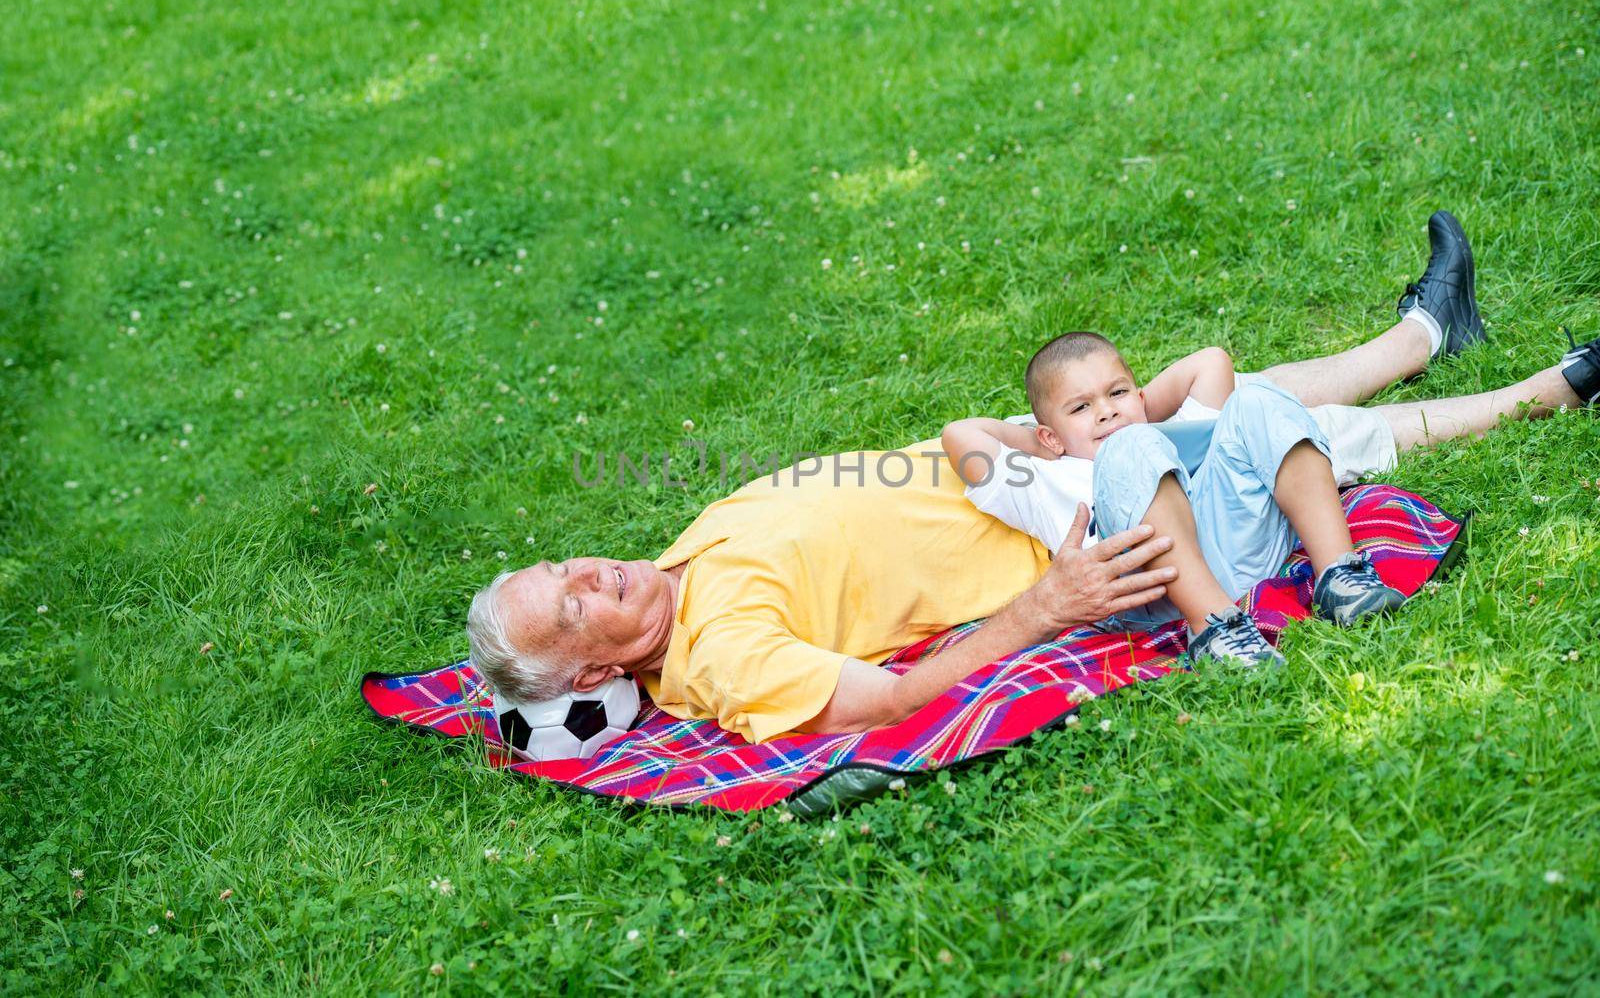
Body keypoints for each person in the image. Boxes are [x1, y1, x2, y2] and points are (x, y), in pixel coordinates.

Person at [466, 212, 1599, 743]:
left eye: (565, 566)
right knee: (1276, 436)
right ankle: (1540, 388)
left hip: (1001, 460)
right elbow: (884, 702)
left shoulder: (667, 570)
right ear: (601, 662)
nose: (593, 571)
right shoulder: (718, 658)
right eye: (578, 604)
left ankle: (1414, 337)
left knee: (1208, 391)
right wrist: (1041, 609)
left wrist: (1033, 429)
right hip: (1053, 522)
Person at [940, 332, 1408, 669]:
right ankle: (1215, 630)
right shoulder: (1043, 480)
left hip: (1236, 545)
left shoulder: (1159, 430)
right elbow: (959, 435)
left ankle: (1341, 577)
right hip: (1149, 592)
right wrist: (1051, 442)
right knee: (1129, 447)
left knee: (1258, 399)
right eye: (1081, 407)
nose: (1105, 411)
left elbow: (1211, 361)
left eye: (1117, 393)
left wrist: (1140, 415)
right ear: (1047, 433)